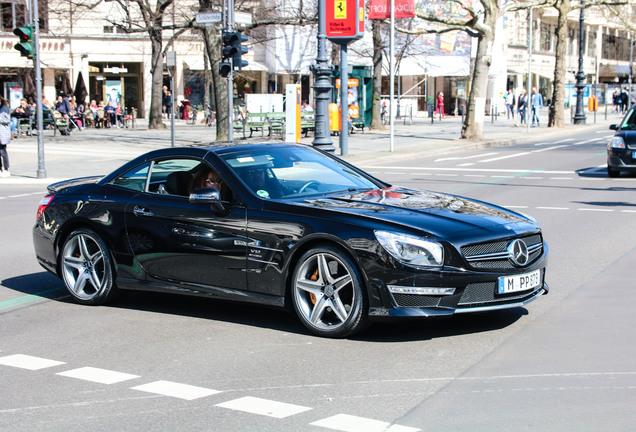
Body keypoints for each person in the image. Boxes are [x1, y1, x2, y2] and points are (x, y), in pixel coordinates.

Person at [0, 96, 11, 177]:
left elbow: (7, 120)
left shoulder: (4, 108)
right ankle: (0, 169)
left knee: (2, 152)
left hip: (2, 133)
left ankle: (6, 169)